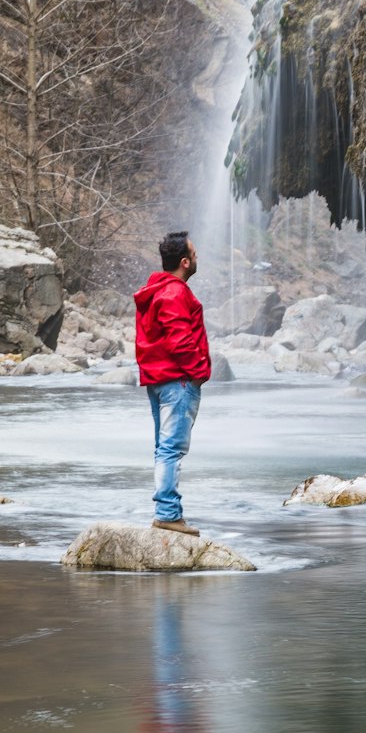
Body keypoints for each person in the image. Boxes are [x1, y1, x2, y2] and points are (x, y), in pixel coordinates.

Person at [134, 230, 211, 536]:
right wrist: (198, 372)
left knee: (163, 449)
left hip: (159, 380)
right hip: (177, 382)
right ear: (184, 262)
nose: (197, 258)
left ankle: (166, 511)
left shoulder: (156, 290)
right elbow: (179, 341)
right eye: (194, 254)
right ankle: (168, 514)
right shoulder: (175, 293)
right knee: (171, 450)